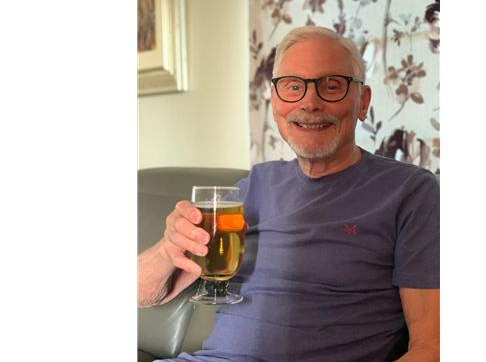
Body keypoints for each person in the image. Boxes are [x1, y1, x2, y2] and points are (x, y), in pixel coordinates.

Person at [138, 25, 440, 362]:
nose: (310, 103)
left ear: (362, 101)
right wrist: (168, 248)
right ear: (275, 101)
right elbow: (142, 295)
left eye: (332, 86)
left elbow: (433, 346)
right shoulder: (248, 190)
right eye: (293, 87)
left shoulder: (410, 192)